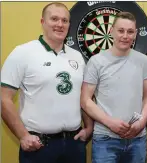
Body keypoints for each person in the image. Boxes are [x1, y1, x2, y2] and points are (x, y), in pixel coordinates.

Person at [1, 2, 93, 163]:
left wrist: (89, 128)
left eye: (64, 20)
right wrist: (23, 136)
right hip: (39, 145)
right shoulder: (23, 53)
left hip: (74, 144)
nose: (60, 24)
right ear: (43, 22)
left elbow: (84, 97)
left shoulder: (77, 56)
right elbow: (4, 99)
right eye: (54, 19)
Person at [80, 11, 147, 163]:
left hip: (137, 139)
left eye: (130, 31)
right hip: (105, 140)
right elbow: (85, 100)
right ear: (111, 31)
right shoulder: (96, 61)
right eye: (121, 30)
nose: (125, 36)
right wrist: (110, 123)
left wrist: (141, 123)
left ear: (135, 34)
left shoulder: (143, 61)